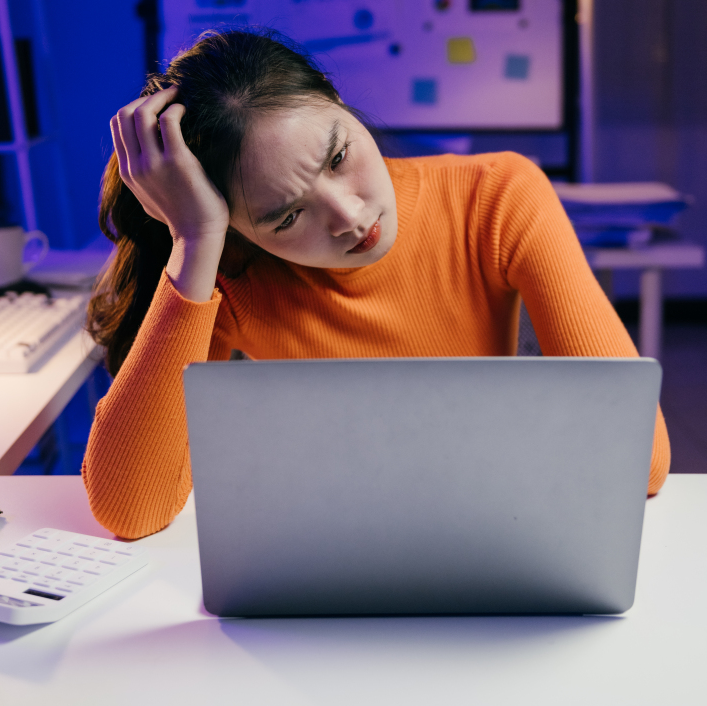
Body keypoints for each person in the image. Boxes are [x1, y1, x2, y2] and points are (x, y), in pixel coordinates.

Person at [83, 28, 670, 540]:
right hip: (327, 547)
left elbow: (639, 460)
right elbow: (132, 510)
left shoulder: (497, 195)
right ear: (234, 227)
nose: (349, 217)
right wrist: (193, 241)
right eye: (286, 218)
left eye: (338, 156)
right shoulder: (230, 273)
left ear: (338, 100)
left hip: (485, 529)